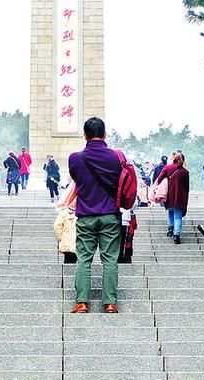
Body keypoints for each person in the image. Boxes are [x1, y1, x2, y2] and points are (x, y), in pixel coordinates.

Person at [68, 117, 122, 314]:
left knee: (84, 259)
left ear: (84, 135)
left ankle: (82, 302)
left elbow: (76, 179)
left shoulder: (75, 158)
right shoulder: (116, 157)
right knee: (110, 260)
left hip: (86, 215)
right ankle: (110, 303)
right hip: (110, 215)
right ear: (105, 134)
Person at [155, 152, 190, 244]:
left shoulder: (167, 168)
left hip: (169, 195)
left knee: (170, 211)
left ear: (173, 159)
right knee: (178, 216)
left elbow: (159, 179)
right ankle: (176, 236)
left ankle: (170, 229)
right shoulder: (185, 172)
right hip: (180, 196)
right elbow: (187, 187)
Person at [54, 195, 78, 264]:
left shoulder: (63, 213)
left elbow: (57, 226)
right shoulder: (84, 212)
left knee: (69, 261)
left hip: (68, 242)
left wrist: (62, 238)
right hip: (77, 242)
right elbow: (57, 226)